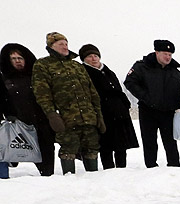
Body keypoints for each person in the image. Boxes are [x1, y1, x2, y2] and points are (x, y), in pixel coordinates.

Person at [32, 32, 104, 174]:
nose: (65, 47)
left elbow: (92, 92)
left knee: (92, 148)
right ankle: (69, 184)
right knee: (68, 148)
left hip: (88, 117)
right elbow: (42, 93)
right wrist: (52, 115)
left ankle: (95, 181)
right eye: (60, 44)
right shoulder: (42, 65)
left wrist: (98, 115)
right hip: (65, 118)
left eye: (66, 44)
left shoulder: (77, 66)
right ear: (51, 46)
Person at [124, 40, 180, 168]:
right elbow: (130, 82)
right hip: (148, 111)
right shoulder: (142, 66)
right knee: (149, 141)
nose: (168, 57)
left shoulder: (175, 72)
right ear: (157, 52)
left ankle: (174, 168)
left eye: (170, 54)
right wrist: (146, 97)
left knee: (170, 142)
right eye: (165, 54)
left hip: (168, 112)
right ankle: (151, 168)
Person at [78, 44, 138, 169]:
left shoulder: (108, 71)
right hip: (101, 112)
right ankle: (108, 169)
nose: (94, 59)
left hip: (119, 112)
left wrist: (125, 103)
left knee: (121, 144)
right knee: (106, 144)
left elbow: (118, 89)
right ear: (84, 59)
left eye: (96, 55)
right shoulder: (83, 72)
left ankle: (122, 168)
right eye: (90, 56)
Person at [1, 43, 56, 176]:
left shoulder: (37, 77)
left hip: (41, 123)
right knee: (10, 153)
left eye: (20, 58)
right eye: (13, 59)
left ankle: (49, 179)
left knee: (46, 154)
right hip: (17, 124)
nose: (17, 61)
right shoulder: (4, 79)